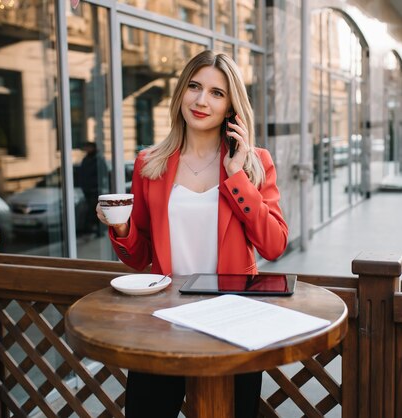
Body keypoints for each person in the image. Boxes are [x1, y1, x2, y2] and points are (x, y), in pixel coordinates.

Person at [96, 50, 289, 418]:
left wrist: (236, 177)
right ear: (181, 92)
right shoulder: (149, 163)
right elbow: (139, 257)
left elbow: (275, 245)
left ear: (232, 105)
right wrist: (120, 226)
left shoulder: (254, 163)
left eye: (217, 93)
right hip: (163, 321)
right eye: (195, 87)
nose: (202, 100)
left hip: (233, 322)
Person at [78, 141, 108, 234]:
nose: (86, 149)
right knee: (90, 210)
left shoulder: (98, 159)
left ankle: (100, 229)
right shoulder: (85, 159)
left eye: (88, 147)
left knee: (96, 210)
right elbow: (82, 174)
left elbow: (104, 174)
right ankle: (93, 229)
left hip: (96, 190)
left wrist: (101, 187)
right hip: (87, 190)